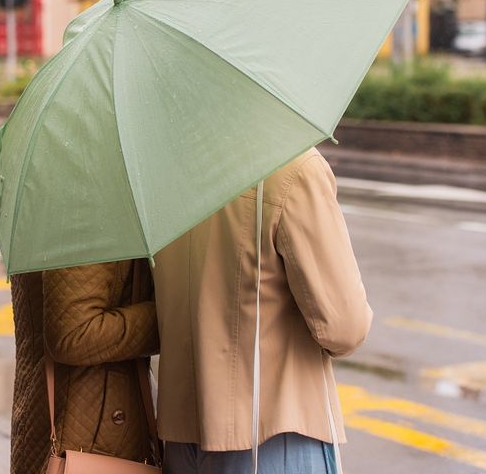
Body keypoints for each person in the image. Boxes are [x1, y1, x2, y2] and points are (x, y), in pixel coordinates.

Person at [153, 148, 372, 474]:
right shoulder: (293, 166)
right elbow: (345, 329)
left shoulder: (166, 172)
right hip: (275, 434)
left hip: (181, 437)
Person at [9, 262, 159, 474]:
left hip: (73, 420)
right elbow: (74, 334)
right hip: (91, 434)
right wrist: (170, 317)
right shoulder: (85, 228)